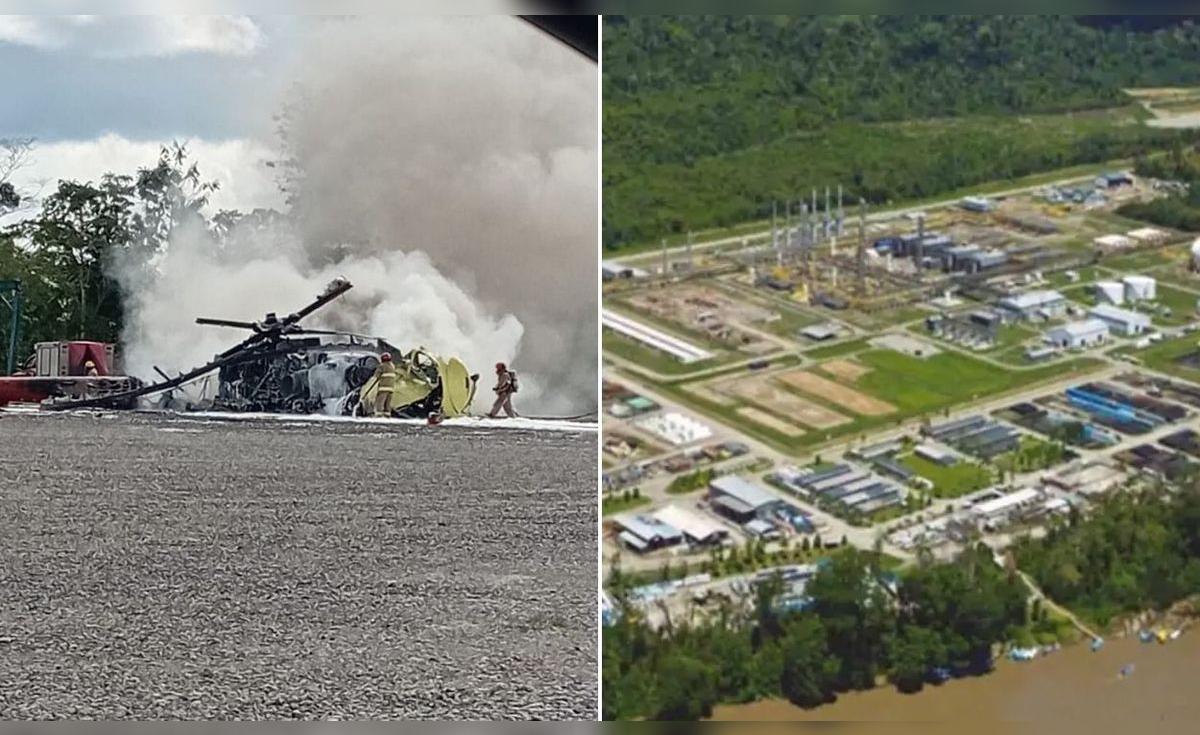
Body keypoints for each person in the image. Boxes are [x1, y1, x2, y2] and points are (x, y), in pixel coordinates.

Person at [372, 352, 397, 417]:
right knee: (387, 403)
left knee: (380, 401)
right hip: (391, 388)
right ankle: (387, 415)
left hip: (383, 387)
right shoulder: (392, 366)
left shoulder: (382, 366)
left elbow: (376, 376)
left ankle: (379, 415)